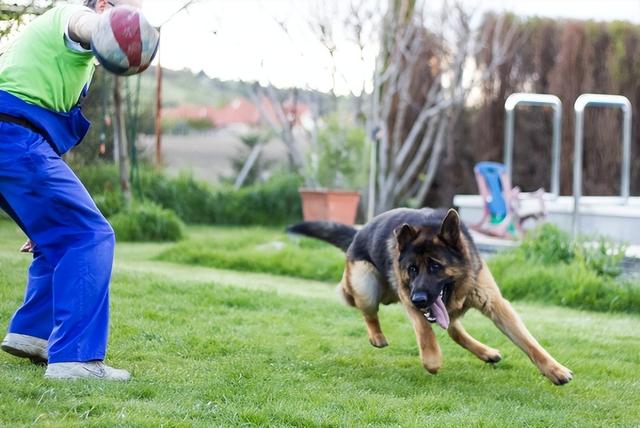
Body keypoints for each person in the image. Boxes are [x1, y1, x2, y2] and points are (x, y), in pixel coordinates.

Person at [0, 0, 142, 380]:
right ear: (101, 5)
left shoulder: (68, 58)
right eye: (127, 10)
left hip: (14, 141)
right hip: (14, 136)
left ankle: (34, 334)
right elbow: (82, 25)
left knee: (56, 238)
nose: (134, 19)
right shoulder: (71, 18)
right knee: (89, 236)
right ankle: (75, 359)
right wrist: (104, 27)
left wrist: (41, 218)